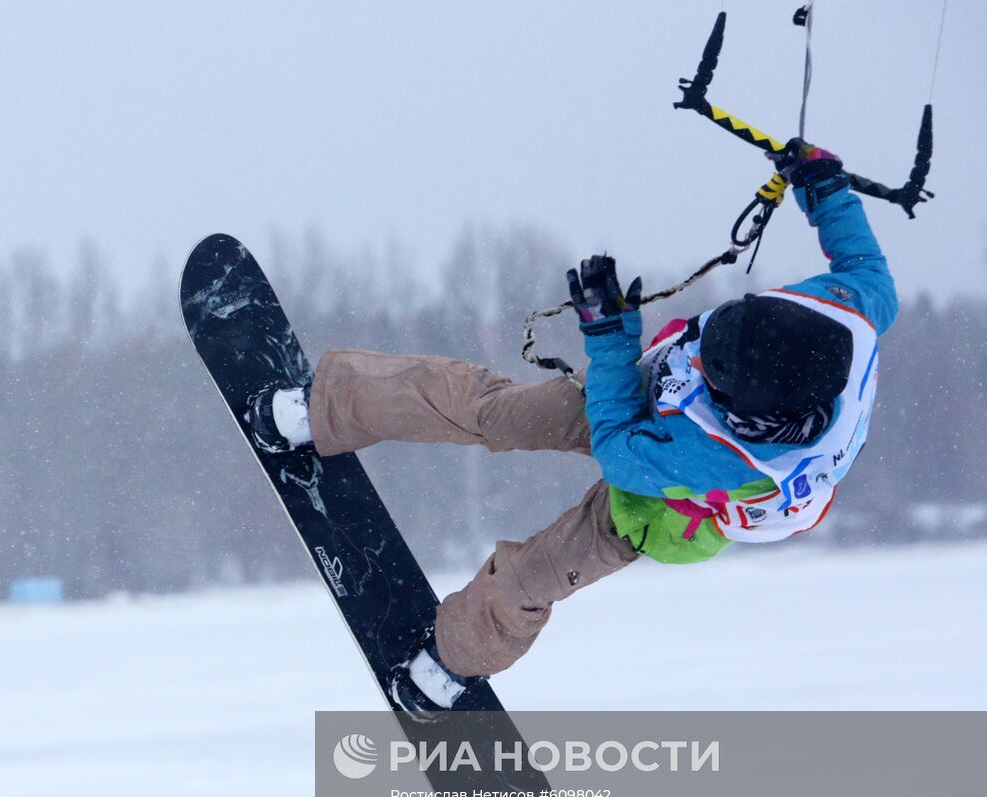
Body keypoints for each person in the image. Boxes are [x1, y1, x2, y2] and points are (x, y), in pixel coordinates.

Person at [248, 138, 898, 712]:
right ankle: (326, 407)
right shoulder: (845, 313)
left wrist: (610, 339)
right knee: (490, 410)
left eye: (712, 370)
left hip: (669, 505)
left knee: (534, 574)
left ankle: (454, 658)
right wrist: (824, 183)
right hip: (648, 405)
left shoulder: (725, 457)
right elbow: (865, 267)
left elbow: (620, 454)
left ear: (746, 412)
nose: (698, 356)